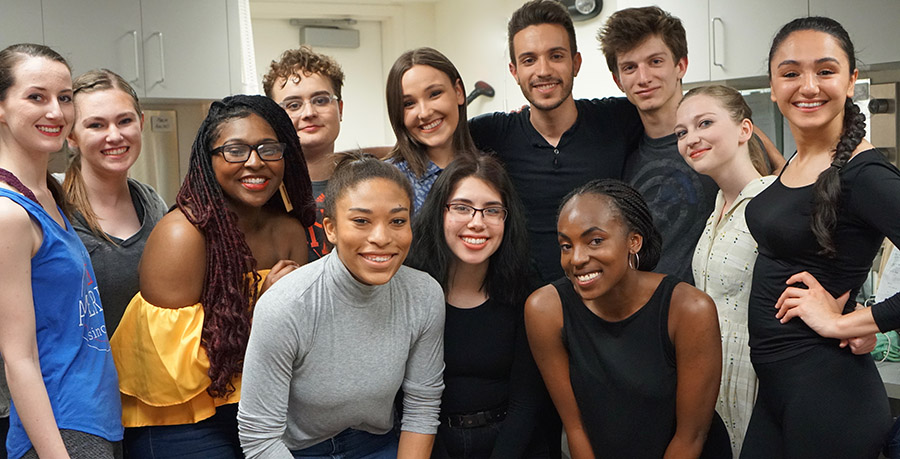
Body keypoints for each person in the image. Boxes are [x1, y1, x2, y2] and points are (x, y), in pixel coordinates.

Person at [110, 95, 315, 458]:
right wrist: (263, 309)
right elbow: (171, 368)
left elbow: (300, 342)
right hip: (181, 422)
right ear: (209, 160)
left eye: (269, 148)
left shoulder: (290, 232)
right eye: (235, 150)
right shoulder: (182, 236)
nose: (255, 162)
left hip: (259, 410)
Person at [740, 17, 900, 458]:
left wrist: (847, 323)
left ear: (851, 81)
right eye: (790, 73)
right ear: (772, 87)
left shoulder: (865, 175)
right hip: (779, 393)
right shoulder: (799, 161)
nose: (808, 86)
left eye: (825, 71)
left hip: (830, 396)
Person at [238, 152, 445, 458]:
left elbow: (422, 408)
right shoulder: (286, 305)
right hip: (297, 451)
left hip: (378, 444)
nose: (381, 237)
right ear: (331, 229)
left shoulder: (424, 294)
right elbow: (260, 438)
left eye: (397, 221)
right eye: (361, 221)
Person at [525, 179, 730, 459]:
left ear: (633, 241)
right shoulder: (546, 310)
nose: (577, 259)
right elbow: (575, 428)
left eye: (595, 241)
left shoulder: (689, 310)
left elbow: (691, 436)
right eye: (566, 245)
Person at [0, 43, 123, 459]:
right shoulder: (8, 214)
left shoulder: (47, 193)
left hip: (93, 418)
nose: (56, 111)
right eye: (37, 97)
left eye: (65, 97)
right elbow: (18, 357)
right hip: (62, 430)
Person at [468, 0, 642, 284]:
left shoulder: (619, 119)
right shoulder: (489, 133)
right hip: (522, 307)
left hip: (608, 305)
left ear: (576, 63)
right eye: (529, 60)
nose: (543, 70)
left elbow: (674, 115)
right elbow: (424, 144)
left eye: (556, 56)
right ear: (514, 71)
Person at [406, 154, 549, 458]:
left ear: (506, 219)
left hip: (511, 442)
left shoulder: (525, 286)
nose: (477, 222)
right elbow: (404, 400)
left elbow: (526, 401)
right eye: (461, 207)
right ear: (439, 213)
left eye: (492, 211)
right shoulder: (411, 285)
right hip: (429, 441)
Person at [673, 84, 775, 456]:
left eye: (704, 123)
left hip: (758, 377)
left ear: (744, 130)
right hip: (715, 378)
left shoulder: (772, 202)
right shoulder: (717, 205)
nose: (691, 138)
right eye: (682, 132)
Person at [62, 69, 168, 338]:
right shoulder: (53, 209)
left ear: (141, 122)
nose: (114, 136)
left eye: (124, 121)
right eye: (96, 125)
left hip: (143, 377)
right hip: (78, 378)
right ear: (71, 136)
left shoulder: (154, 206)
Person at [264, 45, 345, 261]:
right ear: (274, 118)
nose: (309, 113)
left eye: (320, 100)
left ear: (340, 109)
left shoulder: (367, 181)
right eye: (293, 105)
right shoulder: (261, 191)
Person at [386, 47, 477, 213]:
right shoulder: (386, 180)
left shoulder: (489, 168)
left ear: (458, 92)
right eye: (408, 104)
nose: (424, 113)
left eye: (434, 94)